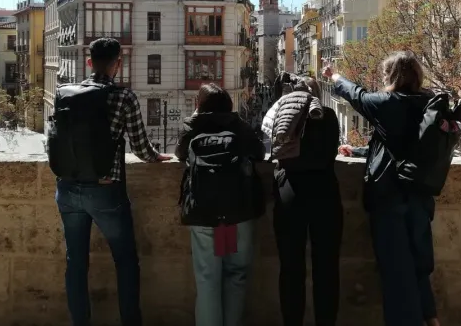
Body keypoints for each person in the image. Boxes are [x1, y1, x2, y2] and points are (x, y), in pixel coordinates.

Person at [53, 38, 172, 326]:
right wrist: (158, 157)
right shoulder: (123, 97)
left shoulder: (63, 94)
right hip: (106, 189)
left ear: (89, 62)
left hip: (68, 188)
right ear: (118, 64)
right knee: (126, 261)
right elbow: (142, 149)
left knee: (76, 263)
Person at [323, 52, 441, 326]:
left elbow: (358, 96)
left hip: (391, 200)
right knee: (418, 266)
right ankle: (431, 319)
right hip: (421, 198)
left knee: (398, 274)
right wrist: (360, 150)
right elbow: (398, 146)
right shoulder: (428, 103)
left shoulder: (389, 104)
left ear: (391, 77)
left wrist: (334, 75)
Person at [175, 83, 265, 326]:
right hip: (238, 212)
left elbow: (180, 153)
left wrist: (194, 118)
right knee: (236, 275)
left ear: (199, 105)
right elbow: (260, 153)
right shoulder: (239, 126)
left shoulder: (193, 126)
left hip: (203, 212)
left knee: (207, 280)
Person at [266, 76, 343, 326]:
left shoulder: (281, 115)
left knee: (291, 268)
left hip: (290, 190)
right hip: (324, 192)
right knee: (327, 268)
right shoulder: (329, 117)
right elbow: (330, 152)